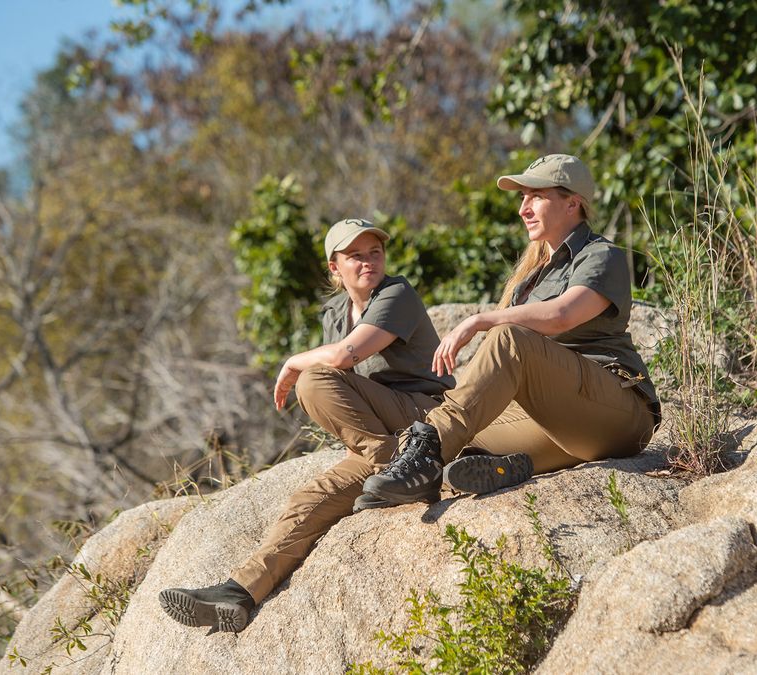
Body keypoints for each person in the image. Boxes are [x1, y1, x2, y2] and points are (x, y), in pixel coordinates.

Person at [158, 218, 453, 632]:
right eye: (355, 256)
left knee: (314, 378)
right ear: (335, 267)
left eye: (375, 253)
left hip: (425, 417)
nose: (368, 262)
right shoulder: (335, 312)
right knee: (311, 498)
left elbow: (344, 358)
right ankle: (240, 592)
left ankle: (397, 467)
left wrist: (293, 362)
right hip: (386, 439)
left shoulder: (396, 293)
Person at [361, 153, 660, 505]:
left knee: (508, 338)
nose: (524, 209)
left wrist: (481, 319)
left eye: (536, 196)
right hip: (565, 425)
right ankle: (466, 470)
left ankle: (427, 453)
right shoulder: (530, 278)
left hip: (617, 413)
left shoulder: (599, 255)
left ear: (572, 203)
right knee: (461, 441)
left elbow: (562, 314)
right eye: (522, 198)